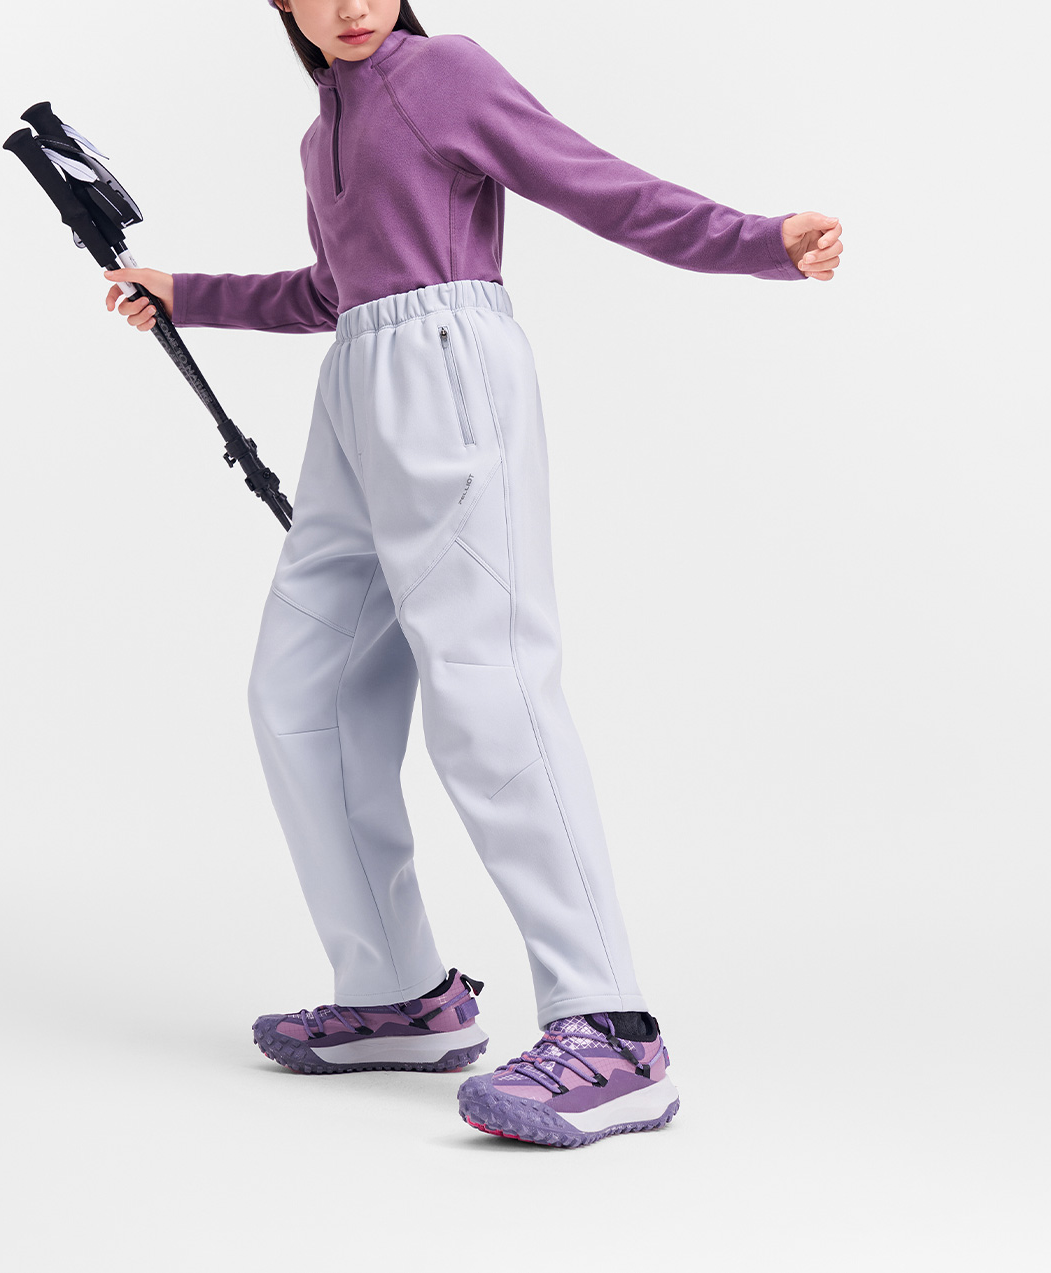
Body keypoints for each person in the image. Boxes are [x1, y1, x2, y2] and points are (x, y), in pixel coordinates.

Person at [103, 0, 842, 1149]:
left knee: (487, 687)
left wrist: (757, 238)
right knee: (300, 691)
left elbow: (592, 182)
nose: (353, 4)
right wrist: (184, 293)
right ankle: (401, 994)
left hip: (447, 375)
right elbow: (334, 293)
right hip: (356, 391)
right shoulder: (323, 129)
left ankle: (613, 1028)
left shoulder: (442, 71)